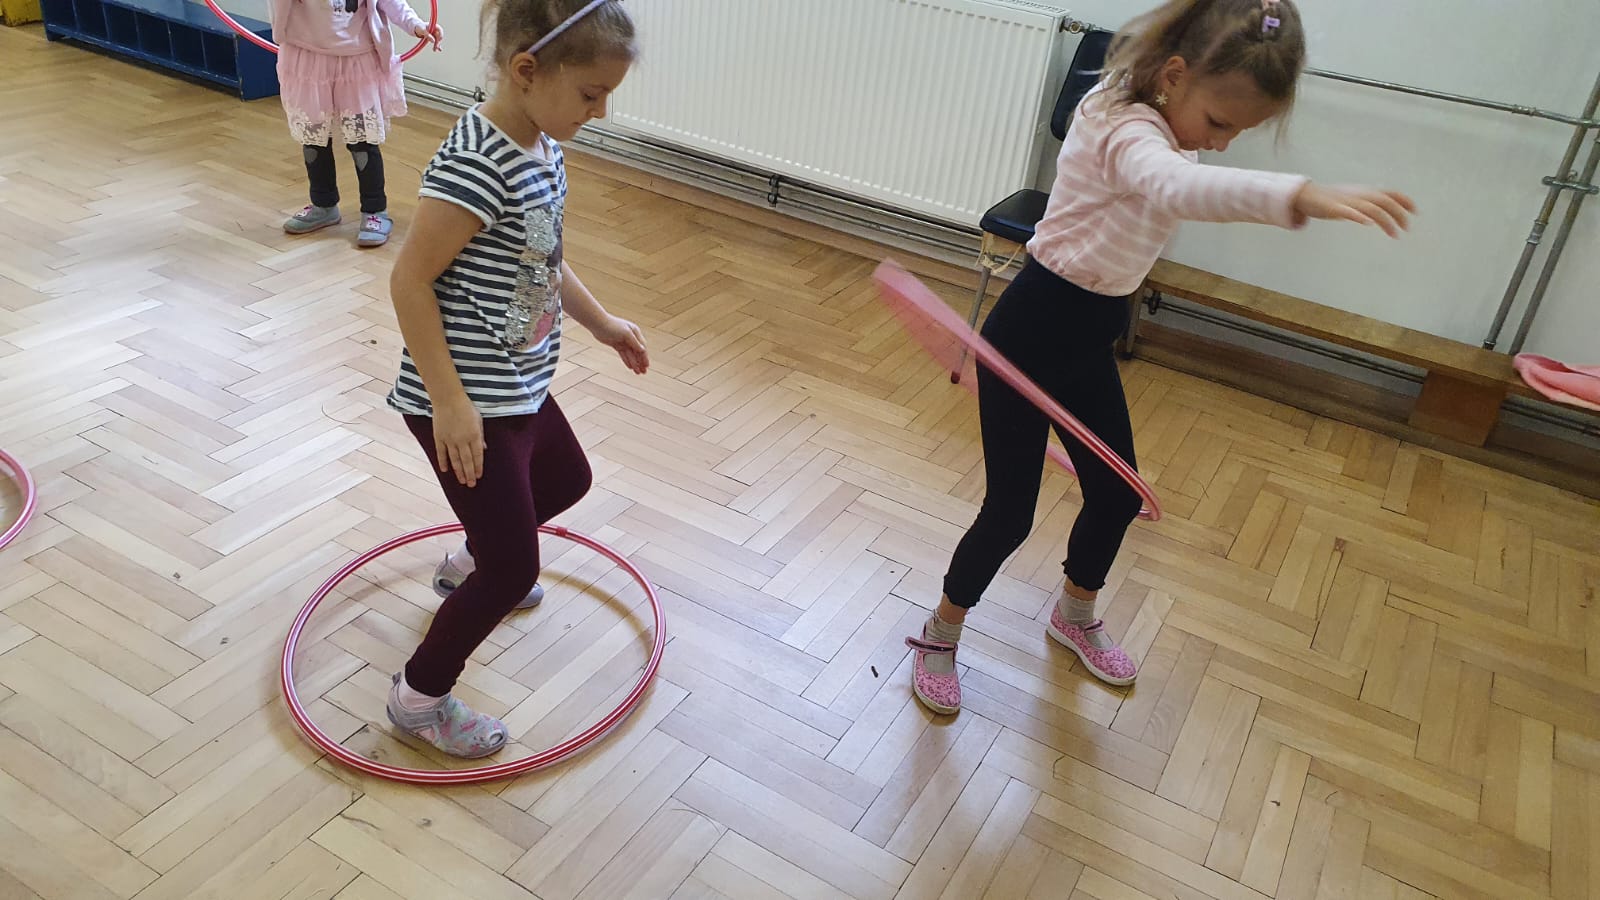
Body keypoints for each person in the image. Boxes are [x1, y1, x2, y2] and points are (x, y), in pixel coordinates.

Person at [907, 0, 1416, 714]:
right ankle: (940, 632)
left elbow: (1180, 177)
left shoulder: (1169, 114)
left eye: (1238, 132)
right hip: (1029, 336)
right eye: (1221, 124)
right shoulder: (1117, 120)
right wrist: (1301, 196)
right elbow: (1176, 186)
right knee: (1010, 513)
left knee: (1116, 492)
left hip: (1090, 333)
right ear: (1173, 76)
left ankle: (1074, 614)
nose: (1223, 145)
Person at [382, 0, 647, 757]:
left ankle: (471, 560)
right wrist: (449, 403)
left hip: (517, 380)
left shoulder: (542, 146)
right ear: (527, 70)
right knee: (512, 569)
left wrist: (602, 323)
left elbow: (544, 255)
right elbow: (409, 281)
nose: (600, 112)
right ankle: (418, 699)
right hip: (466, 398)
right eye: (591, 94)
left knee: (566, 482)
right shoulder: (477, 163)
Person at [273, 0, 443, 247]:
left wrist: (416, 25)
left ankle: (375, 210)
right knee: (314, 138)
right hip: (308, 57)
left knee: (362, 140)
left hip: (357, 60)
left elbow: (390, 2)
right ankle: (323, 204)